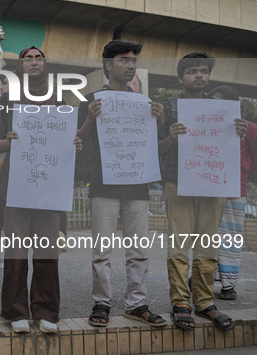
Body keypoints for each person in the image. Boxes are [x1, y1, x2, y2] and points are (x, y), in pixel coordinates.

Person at [77, 40, 166, 328]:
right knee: (101, 251)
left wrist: (160, 121)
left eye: (133, 61)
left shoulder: (144, 103)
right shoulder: (90, 99)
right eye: (124, 60)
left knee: (138, 249)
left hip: (139, 185)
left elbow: (151, 145)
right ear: (108, 65)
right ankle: (102, 302)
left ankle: (136, 303)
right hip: (103, 184)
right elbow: (78, 140)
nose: (131, 65)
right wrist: (90, 118)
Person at [0, 47, 81, 334]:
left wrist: (74, 145)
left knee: (47, 254)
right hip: (15, 188)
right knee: (16, 254)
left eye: (39, 57)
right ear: (19, 66)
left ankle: (45, 311)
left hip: (48, 188)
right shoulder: (7, 100)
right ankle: (15, 310)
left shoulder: (58, 100)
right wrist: (6, 141)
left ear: (46, 65)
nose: (33, 62)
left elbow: (66, 139)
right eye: (27, 58)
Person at [158, 53, 247, 331]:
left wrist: (239, 132)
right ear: (181, 77)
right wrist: (170, 138)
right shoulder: (168, 107)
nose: (199, 75)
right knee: (180, 245)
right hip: (177, 183)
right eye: (193, 71)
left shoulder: (224, 110)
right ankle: (181, 302)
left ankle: (205, 302)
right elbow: (154, 149)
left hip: (213, 183)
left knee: (208, 245)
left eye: (204, 71)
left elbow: (230, 146)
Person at [209, 85, 257, 300]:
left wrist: (243, 174)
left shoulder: (249, 128)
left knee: (229, 239)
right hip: (206, 190)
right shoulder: (206, 126)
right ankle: (205, 277)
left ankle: (228, 285)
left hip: (233, 191)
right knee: (205, 237)